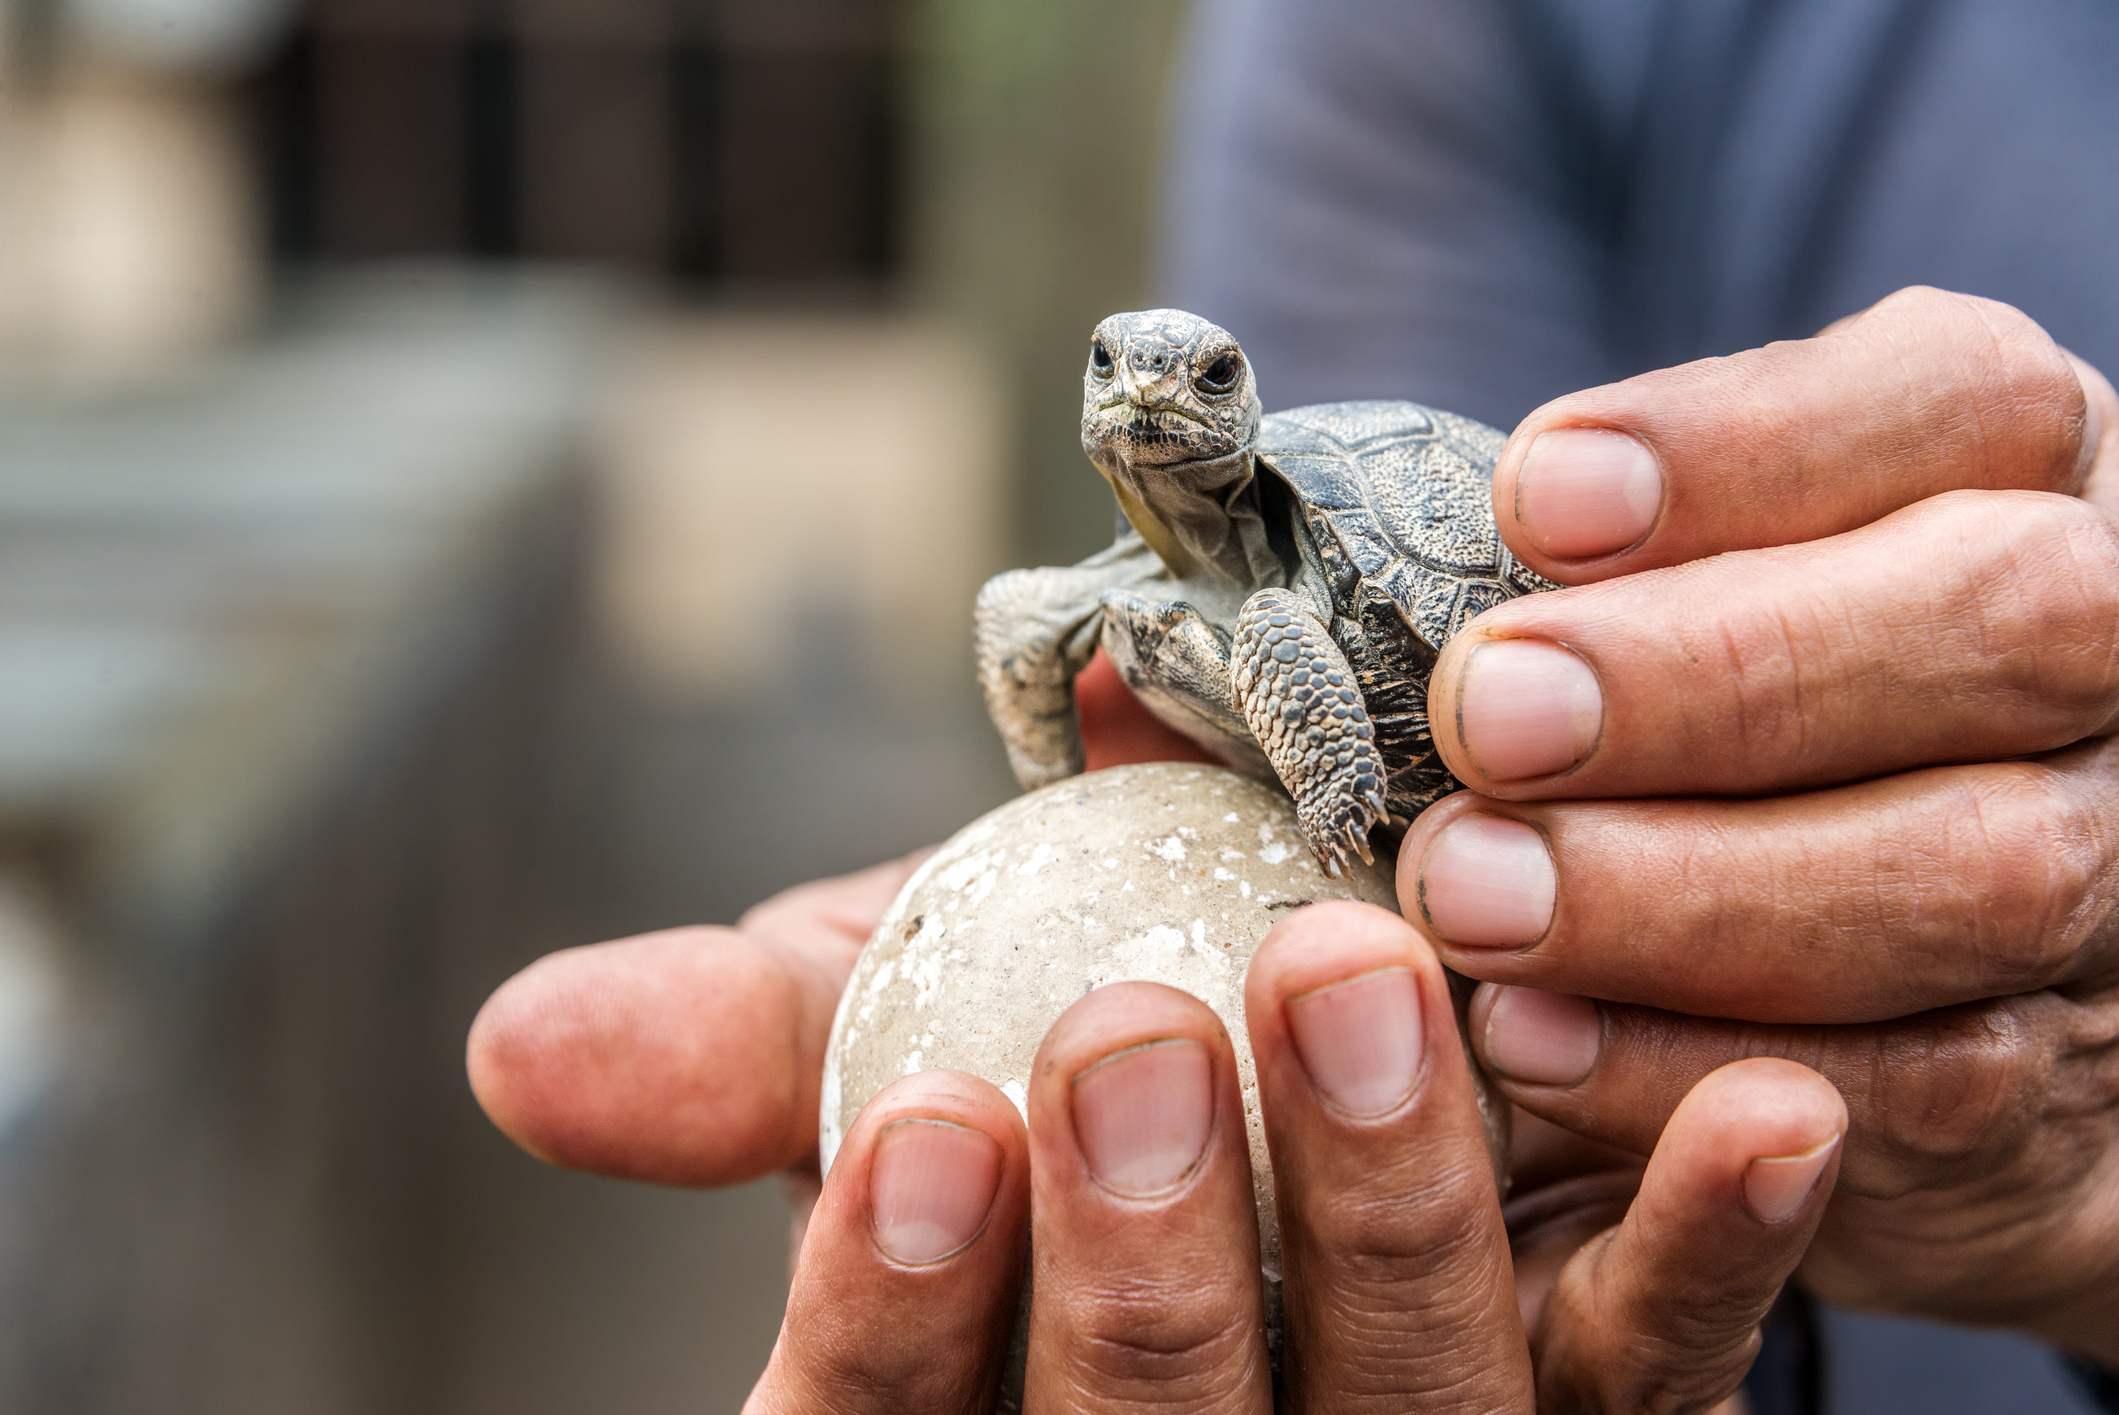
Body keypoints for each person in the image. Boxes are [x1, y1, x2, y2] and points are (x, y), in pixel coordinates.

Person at [467, 1, 2119, 1410]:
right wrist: (1054, 815)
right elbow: (1044, 639)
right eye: (1125, 373)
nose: (1155, 404)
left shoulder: (1289, 593)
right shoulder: (1136, 577)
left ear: (1240, 410)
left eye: (1203, 382)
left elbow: (1300, 658)